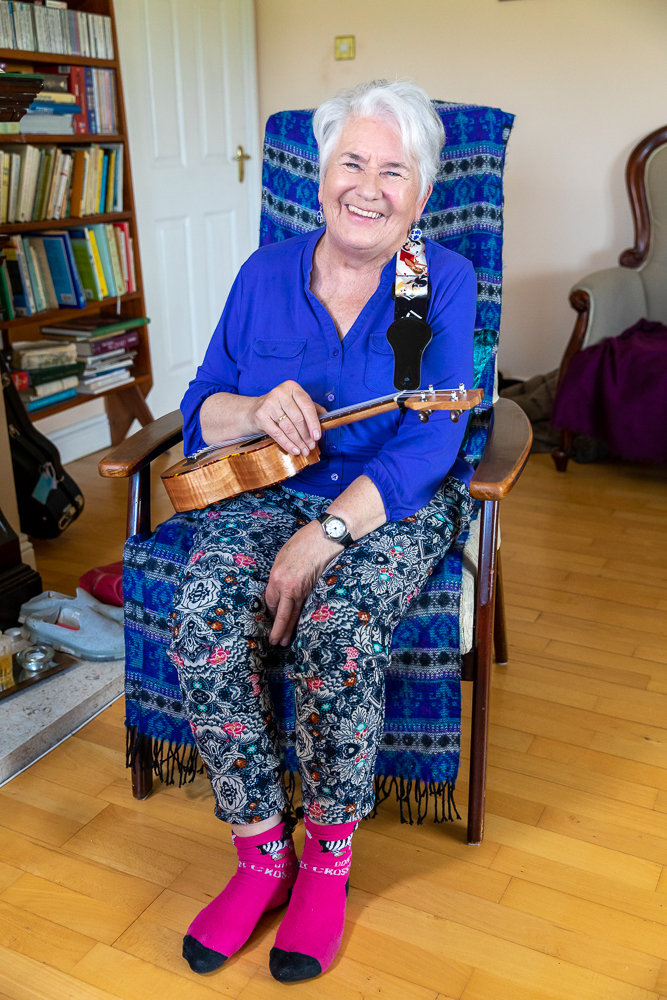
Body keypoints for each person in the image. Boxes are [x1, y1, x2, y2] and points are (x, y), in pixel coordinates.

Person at [169, 79, 476, 984]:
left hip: (389, 498)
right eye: (352, 162)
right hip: (271, 485)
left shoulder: (427, 282)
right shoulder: (266, 275)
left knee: (338, 630)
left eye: (393, 171)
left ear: (421, 193)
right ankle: (262, 852)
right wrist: (253, 408)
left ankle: (327, 865)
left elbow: (430, 439)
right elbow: (201, 408)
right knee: (200, 617)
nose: (368, 188)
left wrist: (326, 537)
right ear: (320, 175)